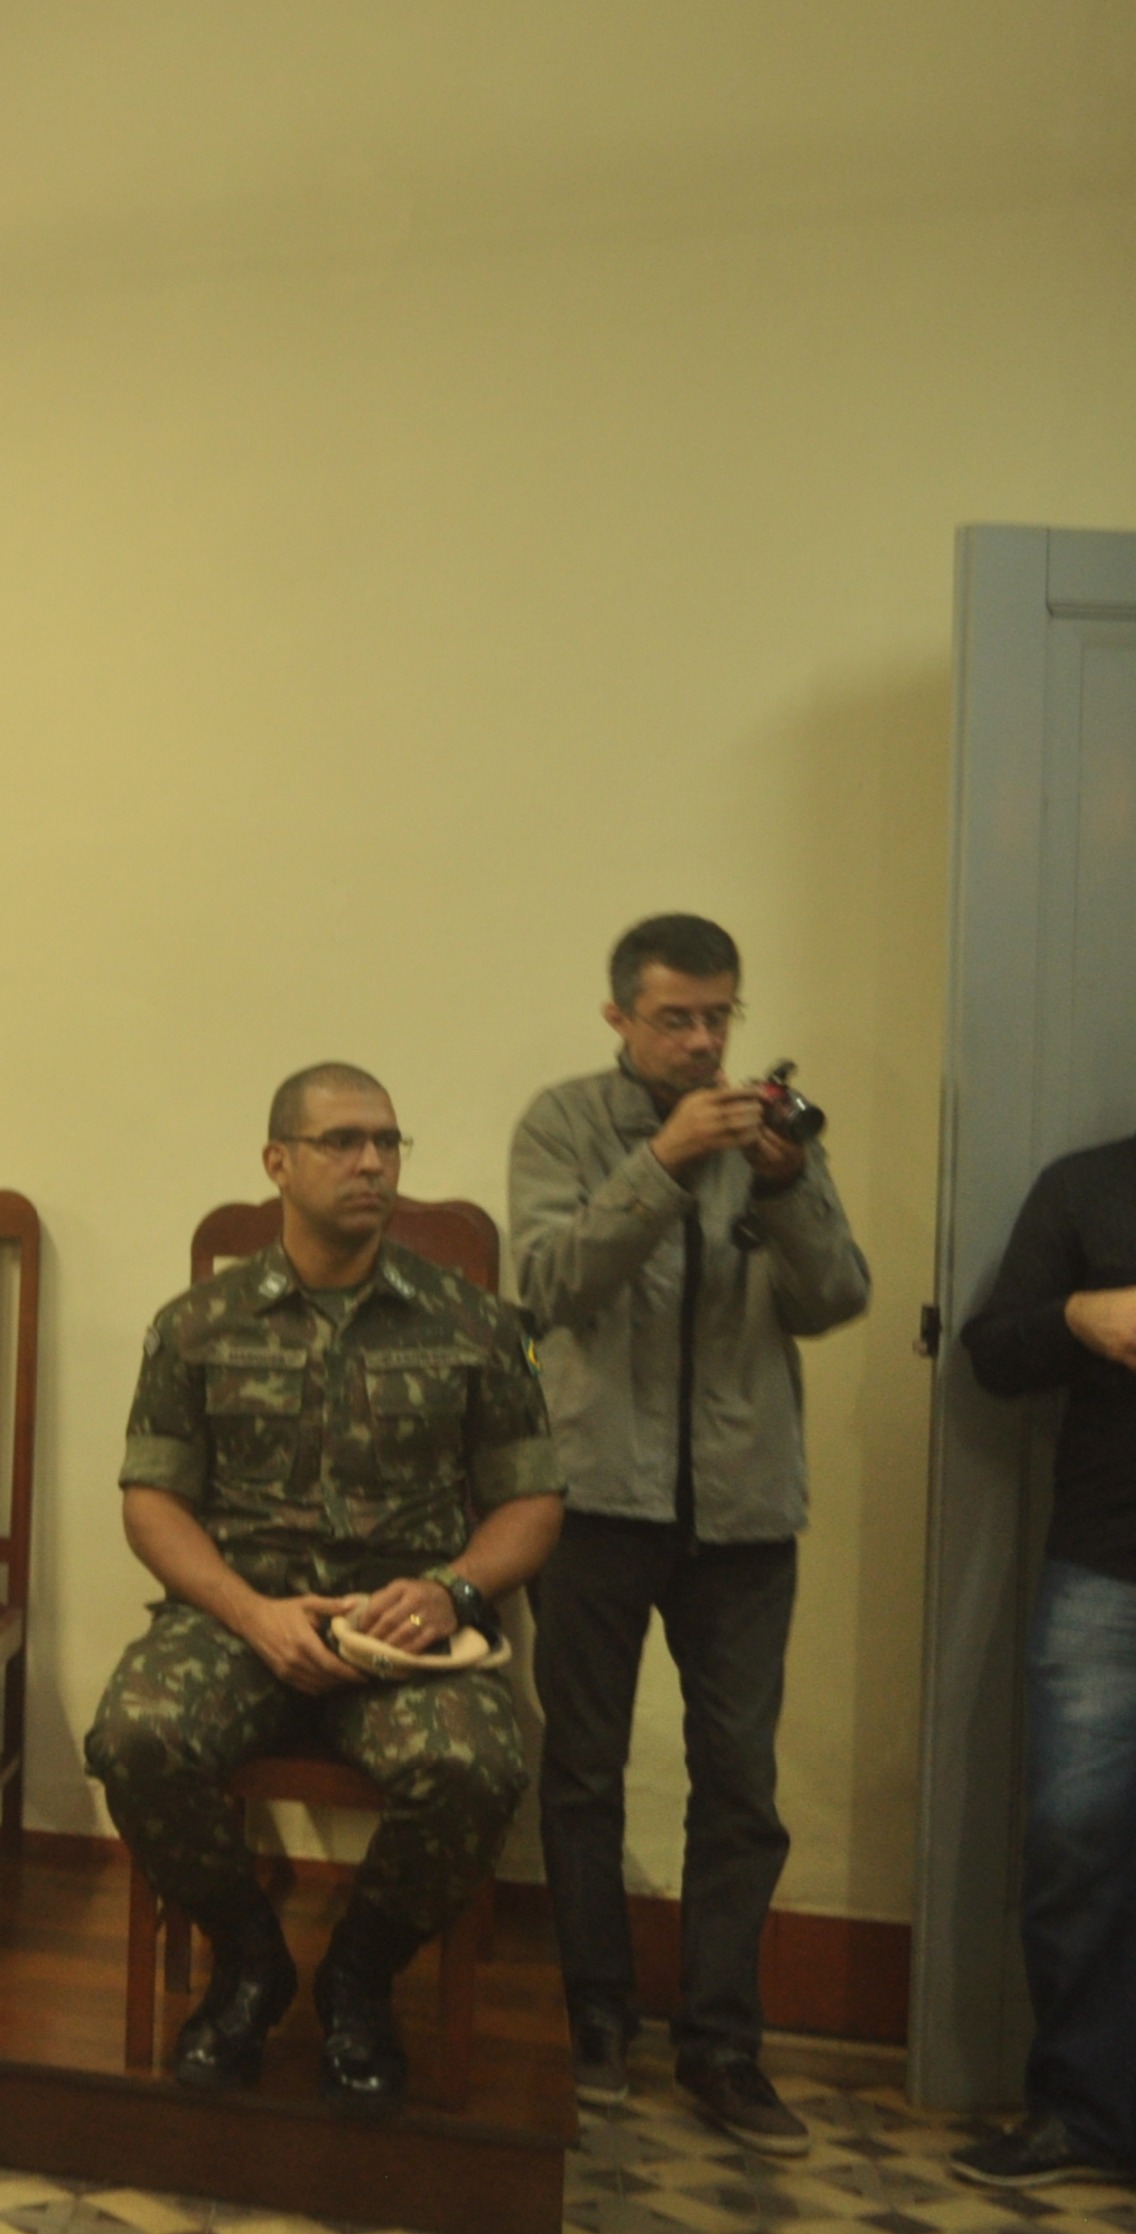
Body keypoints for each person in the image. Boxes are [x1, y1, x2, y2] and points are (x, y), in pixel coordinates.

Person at [84, 1065, 567, 2114]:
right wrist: (248, 1614)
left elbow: (531, 1505)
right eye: (342, 1141)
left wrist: (450, 1590)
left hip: (405, 1629)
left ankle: (359, 1975)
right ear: (277, 1162)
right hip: (240, 1619)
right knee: (133, 1737)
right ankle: (248, 1959)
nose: (372, 1163)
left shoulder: (477, 1324)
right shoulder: (196, 1323)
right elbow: (151, 1504)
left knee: (476, 1766)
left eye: (387, 1142)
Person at [511, 914, 873, 2147]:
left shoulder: (769, 1136)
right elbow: (547, 1285)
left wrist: (782, 1184)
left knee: (738, 1785)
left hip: (742, 1508)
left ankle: (721, 2046)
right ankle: (594, 2015)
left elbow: (834, 1297)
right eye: (675, 1018)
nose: (703, 1041)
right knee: (581, 1771)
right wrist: (659, 1164)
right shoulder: (561, 1124)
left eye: (719, 1016)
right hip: (592, 1497)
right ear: (618, 1016)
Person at [955, 1131, 1136, 2188]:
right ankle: (1078, 2111)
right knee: (1074, 1843)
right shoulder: (1086, 1186)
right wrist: (1077, 1317)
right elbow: (990, 1353)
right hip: (1105, 1566)